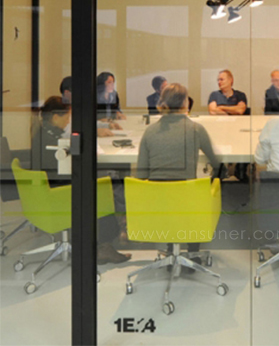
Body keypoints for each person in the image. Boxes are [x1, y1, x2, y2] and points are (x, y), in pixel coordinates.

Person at [30, 96, 131, 264]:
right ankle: (106, 242)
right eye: (67, 117)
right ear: (56, 117)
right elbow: (65, 167)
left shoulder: (45, 133)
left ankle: (115, 230)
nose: (68, 121)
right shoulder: (50, 140)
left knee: (107, 177)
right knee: (107, 182)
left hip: (51, 187)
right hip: (59, 191)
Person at [137, 84, 221, 269]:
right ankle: (193, 253)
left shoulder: (150, 132)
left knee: (168, 195)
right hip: (186, 201)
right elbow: (216, 162)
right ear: (185, 103)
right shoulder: (195, 129)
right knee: (193, 196)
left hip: (157, 204)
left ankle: (171, 250)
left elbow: (141, 174)